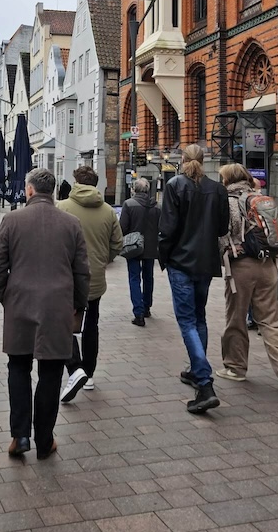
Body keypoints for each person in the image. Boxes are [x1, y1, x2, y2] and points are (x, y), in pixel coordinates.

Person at [0, 168, 89, 460]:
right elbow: (82, 271)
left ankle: (20, 436)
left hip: (19, 304)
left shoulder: (12, 220)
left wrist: (6, 297)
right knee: (51, 373)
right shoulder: (72, 224)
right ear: (54, 191)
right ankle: (44, 440)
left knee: (18, 368)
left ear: (29, 190)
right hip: (57, 306)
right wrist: (78, 305)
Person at [158, 144, 229, 415]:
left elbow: (167, 228)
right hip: (205, 262)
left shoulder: (175, 185)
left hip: (181, 262)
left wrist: (163, 257)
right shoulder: (217, 188)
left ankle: (204, 381)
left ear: (183, 160)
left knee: (187, 321)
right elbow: (222, 228)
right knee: (199, 318)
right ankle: (194, 368)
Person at [216, 164, 278, 392]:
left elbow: (224, 234)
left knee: (236, 317)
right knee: (270, 320)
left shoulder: (229, 201)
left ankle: (235, 368)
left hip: (241, 266)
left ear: (227, 180)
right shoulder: (261, 199)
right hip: (269, 265)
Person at [57, 166, 123, 401]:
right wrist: (103, 259)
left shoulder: (62, 207)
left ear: (75, 182)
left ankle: (76, 368)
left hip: (67, 277)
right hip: (95, 276)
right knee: (92, 324)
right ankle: (90, 373)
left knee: (64, 323)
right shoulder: (107, 211)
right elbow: (118, 244)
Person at [120, 177, 160, 326]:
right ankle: (147, 306)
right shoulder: (156, 206)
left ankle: (138, 313)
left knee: (134, 278)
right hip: (150, 246)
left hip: (133, 246)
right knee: (149, 277)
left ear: (134, 190)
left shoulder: (129, 204)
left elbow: (122, 227)